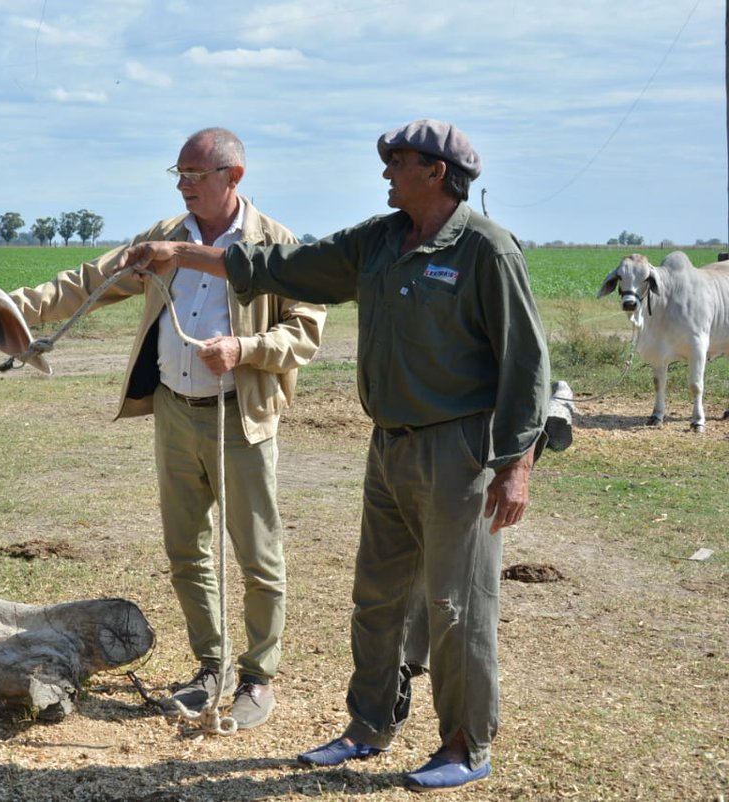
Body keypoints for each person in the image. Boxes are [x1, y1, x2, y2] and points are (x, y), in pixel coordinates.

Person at [122, 119, 549, 791]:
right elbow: (278, 266)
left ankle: (465, 744)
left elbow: (528, 362)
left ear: (436, 173)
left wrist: (517, 462)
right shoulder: (378, 240)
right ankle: (367, 727)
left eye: (399, 162)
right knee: (375, 597)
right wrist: (181, 254)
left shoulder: (486, 250)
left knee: (455, 605)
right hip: (388, 446)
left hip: (459, 450)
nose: (385, 171)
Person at [9, 127, 325, 730]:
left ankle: (257, 678)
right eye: (178, 175)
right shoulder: (165, 240)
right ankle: (211, 668)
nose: (184, 186)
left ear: (234, 177)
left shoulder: (276, 246)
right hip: (176, 412)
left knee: (258, 557)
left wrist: (246, 347)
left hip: (242, 417)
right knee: (187, 550)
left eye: (195, 175)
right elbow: (88, 282)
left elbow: (305, 332)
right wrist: (7, 307)